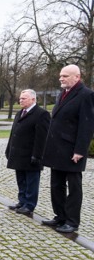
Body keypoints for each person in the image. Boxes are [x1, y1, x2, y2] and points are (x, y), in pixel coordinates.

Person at [41, 64, 94, 233]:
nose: (61, 78)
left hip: (72, 151)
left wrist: (80, 150)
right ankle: (60, 216)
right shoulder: (63, 94)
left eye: (65, 76)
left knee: (74, 187)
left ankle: (72, 221)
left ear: (76, 77)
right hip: (57, 149)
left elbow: (87, 125)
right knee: (56, 185)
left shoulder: (86, 95)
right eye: (60, 76)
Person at [5, 89, 50, 216]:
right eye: (20, 98)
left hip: (31, 155)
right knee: (21, 180)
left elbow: (41, 138)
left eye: (24, 98)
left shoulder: (42, 114)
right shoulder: (20, 113)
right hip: (18, 154)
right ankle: (22, 201)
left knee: (31, 181)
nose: (20, 100)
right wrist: (9, 149)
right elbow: (13, 134)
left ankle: (29, 205)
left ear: (33, 99)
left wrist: (37, 155)